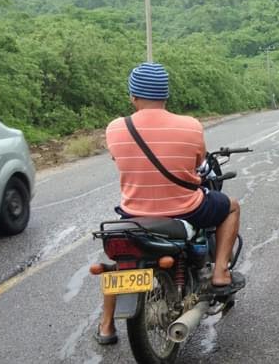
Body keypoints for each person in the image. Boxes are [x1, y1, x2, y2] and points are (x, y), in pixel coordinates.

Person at [96, 62, 244, 345]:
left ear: (133, 96)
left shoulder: (115, 128)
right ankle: (221, 272)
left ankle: (105, 325)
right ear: (165, 96)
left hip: (134, 214)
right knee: (232, 206)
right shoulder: (190, 125)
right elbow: (198, 164)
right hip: (185, 209)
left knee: (120, 261)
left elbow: (118, 160)